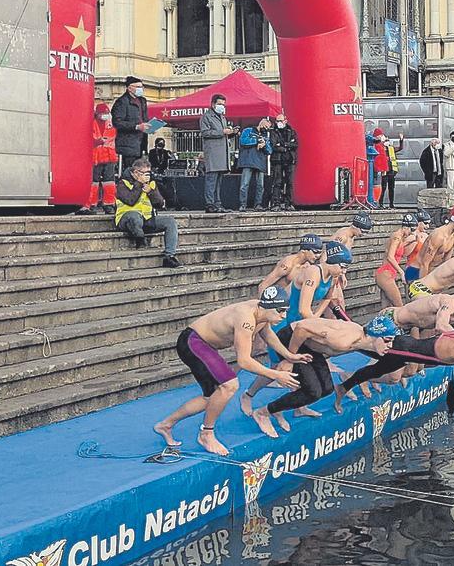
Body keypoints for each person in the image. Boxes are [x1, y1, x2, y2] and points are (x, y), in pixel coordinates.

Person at [152, 286, 309, 456]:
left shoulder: (263, 313)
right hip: (193, 342)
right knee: (229, 385)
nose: (284, 315)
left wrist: (289, 356)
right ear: (266, 307)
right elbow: (244, 360)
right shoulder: (246, 318)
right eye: (280, 311)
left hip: (202, 345)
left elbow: (268, 335)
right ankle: (206, 434)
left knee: (211, 399)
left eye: (286, 310)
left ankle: (165, 425)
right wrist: (277, 374)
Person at [249, 315, 397, 437]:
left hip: (309, 346)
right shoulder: (344, 340)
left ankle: (297, 408)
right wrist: (290, 358)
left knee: (327, 388)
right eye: (387, 340)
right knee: (313, 392)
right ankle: (262, 413)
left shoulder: (362, 341)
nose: (390, 346)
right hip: (291, 338)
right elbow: (301, 330)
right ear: (374, 335)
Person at [115, 158, 180, 268]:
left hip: (147, 219)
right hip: (126, 218)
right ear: (135, 173)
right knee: (135, 216)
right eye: (144, 173)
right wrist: (138, 184)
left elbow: (160, 204)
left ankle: (170, 256)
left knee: (170, 222)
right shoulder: (122, 183)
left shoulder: (151, 184)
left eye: (148, 173)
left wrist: (151, 192)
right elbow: (130, 201)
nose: (147, 176)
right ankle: (140, 239)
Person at [80, 102, 118, 215]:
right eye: (104, 113)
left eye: (107, 113)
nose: (106, 116)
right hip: (95, 157)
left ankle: (108, 204)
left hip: (108, 157)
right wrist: (98, 141)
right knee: (94, 182)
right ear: (97, 113)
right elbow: (86, 138)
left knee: (109, 182)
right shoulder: (91, 123)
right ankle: (91, 204)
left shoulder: (110, 124)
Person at [200, 94, 235, 213]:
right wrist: (222, 132)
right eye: (220, 104)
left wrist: (231, 132)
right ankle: (209, 203)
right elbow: (205, 133)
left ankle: (218, 203)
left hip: (222, 153)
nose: (222, 106)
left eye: (223, 105)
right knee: (211, 180)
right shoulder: (206, 117)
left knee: (219, 181)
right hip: (213, 153)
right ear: (213, 104)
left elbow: (224, 134)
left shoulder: (222, 117)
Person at [376, 213, 420, 308]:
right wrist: (402, 272)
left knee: (386, 307)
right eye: (411, 230)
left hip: (387, 274)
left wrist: (413, 241)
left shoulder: (400, 238)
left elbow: (402, 252)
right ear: (405, 227)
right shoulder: (397, 237)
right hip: (385, 274)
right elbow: (390, 257)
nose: (411, 233)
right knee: (399, 306)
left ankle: (382, 322)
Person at [111, 75, 149, 174]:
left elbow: (143, 118)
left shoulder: (142, 101)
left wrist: (149, 126)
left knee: (141, 171)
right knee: (130, 171)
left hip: (141, 142)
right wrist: (136, 126)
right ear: (129, 88)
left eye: (142, 87)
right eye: (138, 87)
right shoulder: (122, 102)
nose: (141, 89)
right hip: (127, 145)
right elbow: (117, 122)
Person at [237, 117, 272, 212]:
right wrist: (256, 141)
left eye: (268, 128)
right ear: (261, 123)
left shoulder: (265, 136)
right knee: (244, 184)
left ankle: (258, 204)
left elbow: (269, 151)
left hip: (260, 163)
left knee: (260, 186)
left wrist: (264, 145)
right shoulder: (248, 130)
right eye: (265, 126)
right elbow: (242, 141)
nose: (266, 129)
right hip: (248, 161)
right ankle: (243, 205)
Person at [269, 113, 298, 211]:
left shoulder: (291, 131)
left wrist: (283, 144)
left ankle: (288, 203)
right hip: (277, 160)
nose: (278, 123)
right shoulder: (273, 132)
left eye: (280, 121)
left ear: (285, 121)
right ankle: (276, 203)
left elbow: (295, 144)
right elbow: (274, 145)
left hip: (290, 160)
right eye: (277, 121)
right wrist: (287, 147)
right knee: (277, 182)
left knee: (289, 183)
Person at [376, 132, 405, 208]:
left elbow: (400, 148)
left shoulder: (391, 148)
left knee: (391, 188)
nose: (387, 142)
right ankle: (380, 203)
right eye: (386, 141)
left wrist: (401, 140)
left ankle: (391, 204)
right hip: (384, 171)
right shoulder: (380, 149)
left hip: (391, 172)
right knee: (383, 188)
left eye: (388, 141)